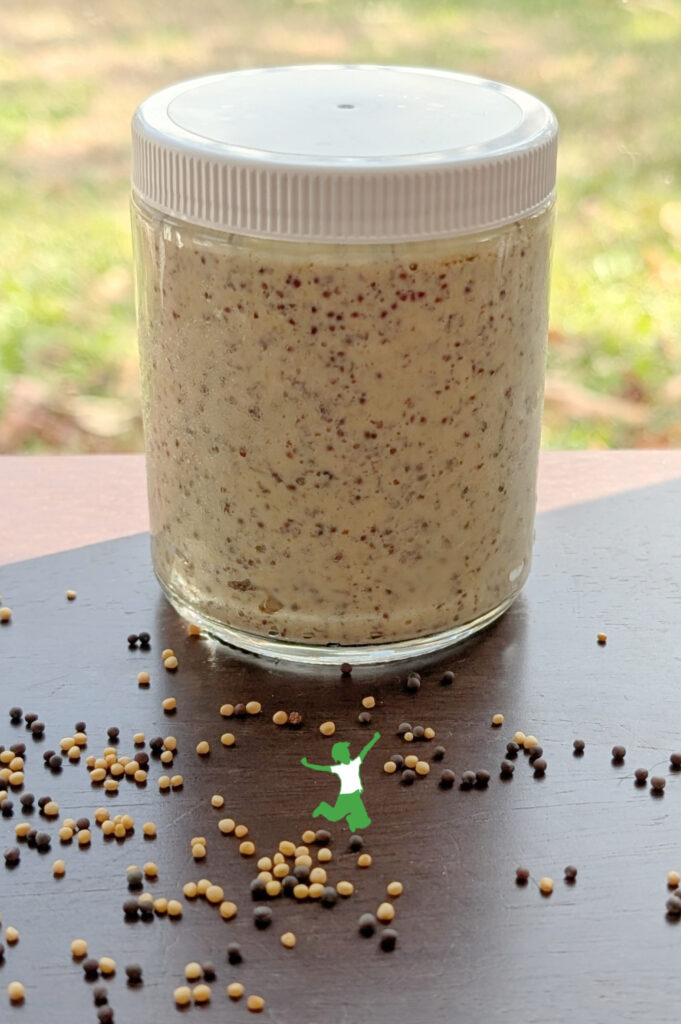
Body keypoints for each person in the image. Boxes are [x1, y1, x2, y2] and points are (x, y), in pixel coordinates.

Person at [300, 731, 380, 832]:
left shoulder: (355, 763)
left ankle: (351, 819)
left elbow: (365, 750)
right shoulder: (339, 768)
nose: (347, 753)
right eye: (344, 752)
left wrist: (374, 739)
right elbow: (322, 768)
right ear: (339, 757)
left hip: (355, 796)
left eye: (347, 751)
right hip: (345, 797)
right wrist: (307, 764)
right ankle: (323, 807)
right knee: (334, 817)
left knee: (365, 822)